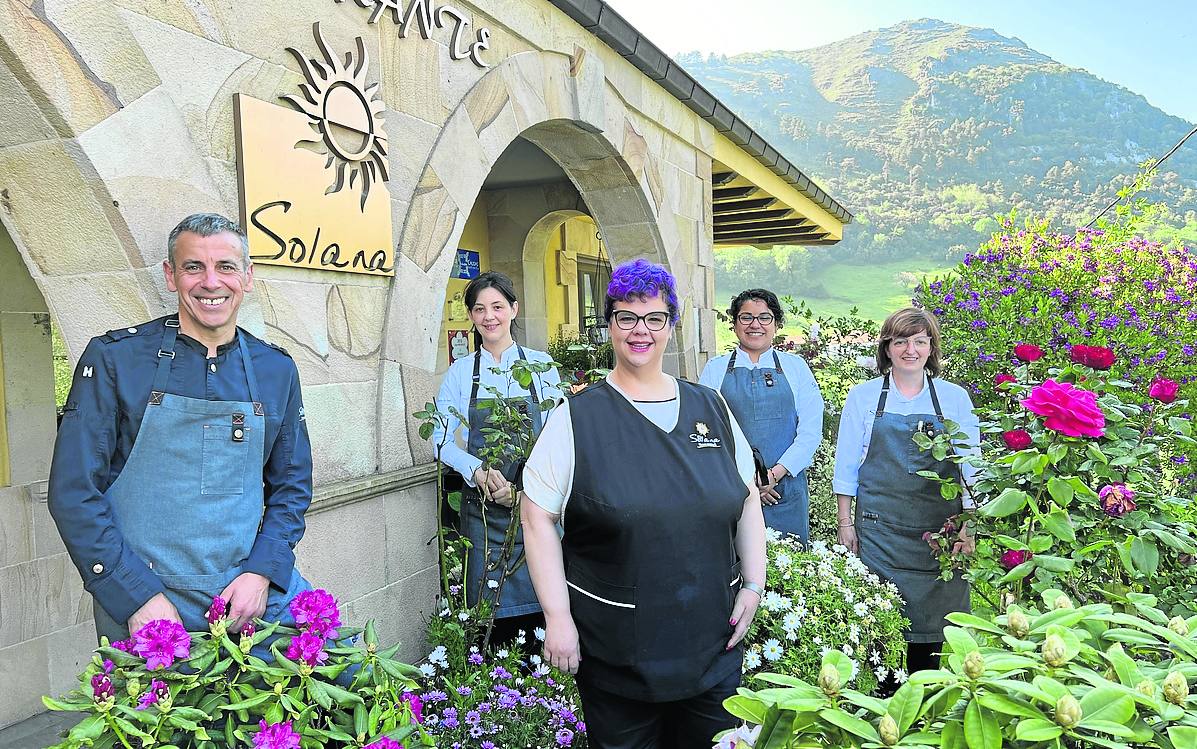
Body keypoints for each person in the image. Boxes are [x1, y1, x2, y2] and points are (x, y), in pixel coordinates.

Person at [521, 259, 767, 749]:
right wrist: (557, 616)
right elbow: (536, 516)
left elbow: (747, 501)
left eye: (654, 318)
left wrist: (755, 585)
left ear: (670, 326)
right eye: (626, 317)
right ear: (609, 325)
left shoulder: (712, 408)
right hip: (619, 657)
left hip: (711, 648)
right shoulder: (577, 419)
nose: (641, 331)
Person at [48, 213, 313, 643]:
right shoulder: (116, 360)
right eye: (194, 267)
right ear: (171, 276)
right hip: (150, 603)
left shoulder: (276, 369)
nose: (211, 282)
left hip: (245, 596)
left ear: (247, 277)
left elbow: (292, 486)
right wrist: (134, 595)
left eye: (226, 267)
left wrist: (264, 572)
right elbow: (73, 492)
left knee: (350, 674)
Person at [833, 307, 978, 677]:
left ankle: (922, 699)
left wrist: (969, 526)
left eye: (919, 341)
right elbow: (847, 463)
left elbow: (971, 466)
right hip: (880, 532)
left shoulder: (954, 398)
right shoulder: (864, 398)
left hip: (939, 536)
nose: (909, 349)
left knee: (931, 630)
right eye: (900, 341)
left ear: (932, 348)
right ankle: (882, 703)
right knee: (880, 624)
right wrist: (845, 524)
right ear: (887, 348)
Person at [432, 271, 562, 646]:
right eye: (479, 309)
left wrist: (524, 489)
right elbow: (439, 440)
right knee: (487, 614)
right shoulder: (460, 374)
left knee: (542, 600)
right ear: (471, 316)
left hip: (534, 505)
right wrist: (477, 470)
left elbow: (558, 437)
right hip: (482, 507)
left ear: (513, 309)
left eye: (497, 307)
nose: (489, 316)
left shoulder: (540, 368)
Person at [699, 288, 824, 542]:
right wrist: (748, 482)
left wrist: (773, 474)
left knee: (792, 572)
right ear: (734, 324)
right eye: (746, 317)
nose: (755, 325)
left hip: (785, 490)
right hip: (733, 490)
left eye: (764, 317)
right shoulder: (715, 369)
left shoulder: (796, 368)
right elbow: (707, 431)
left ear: (776, 324)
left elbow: (811, 432)